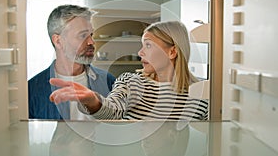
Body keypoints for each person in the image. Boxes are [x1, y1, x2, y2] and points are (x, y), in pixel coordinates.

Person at [49, 21, 208, 121]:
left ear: (172, 52)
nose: (140, 52)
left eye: (148, 45)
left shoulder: (203, 94)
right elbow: (112, 110)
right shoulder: (131, 82)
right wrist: (93, 101)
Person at [28, 4, 116, 120]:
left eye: (91, 35)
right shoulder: (31, 89)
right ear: (58, 41)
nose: (91, 42)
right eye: (83, 35)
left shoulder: (109, 82)